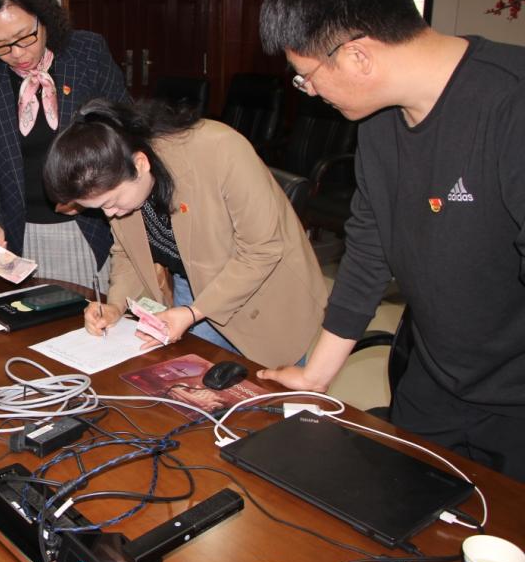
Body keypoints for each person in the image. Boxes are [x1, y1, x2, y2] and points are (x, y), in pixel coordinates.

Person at [257, 0, 525, 480]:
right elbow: (368, 251)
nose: (308, 92)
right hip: (432, 380)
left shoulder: (510, 104)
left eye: (306, 75)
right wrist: (316, 375)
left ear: (358, 56)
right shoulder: (379, 119)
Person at [44, 99, 327, 368]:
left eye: (111, 202)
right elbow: (128, 253)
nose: (111, 214)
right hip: (193, 281)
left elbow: (262, 250)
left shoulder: (220, 150)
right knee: (195, 379)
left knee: (268, 389)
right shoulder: (118, 177)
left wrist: (193, 312)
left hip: (264, 291)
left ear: (140, 164)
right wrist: (115, 306)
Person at [0, 0, 128, 289]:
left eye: (26, 36)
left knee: (95, 312)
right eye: (1, 45)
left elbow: (123, 131)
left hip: (91, 225)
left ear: (43, 16)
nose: (18, 53)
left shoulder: (87, 53)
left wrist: (90, 192)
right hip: (21, 233)